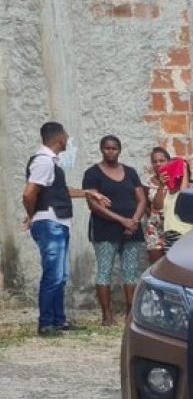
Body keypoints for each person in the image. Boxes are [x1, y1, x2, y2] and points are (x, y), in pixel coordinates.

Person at [22, 121, 110, 335]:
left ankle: (59, 321)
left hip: (57, 222)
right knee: (53, 275)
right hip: (50, 223)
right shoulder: (43, 161)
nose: (68, 139)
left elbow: (60, 190)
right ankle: (46, 323)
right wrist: (32, 215)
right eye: (66, 136)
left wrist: (89, 193)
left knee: (60, 276)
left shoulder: (51, 162)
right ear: (59, 138)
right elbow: (28, 193)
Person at [82, 135, 148, 326]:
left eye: (114, 148)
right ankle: (107, 315)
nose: (111, 152)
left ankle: (130, 314)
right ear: (101, 149)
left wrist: (134, 220)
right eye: (107, 148)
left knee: (131, 271)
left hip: (132, 229)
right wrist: (122, 220)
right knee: (104, 271)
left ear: (120, 150)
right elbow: (93, 204)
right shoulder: (92, 173)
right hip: (105, 229)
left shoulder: (130, 172)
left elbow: (141, 198)